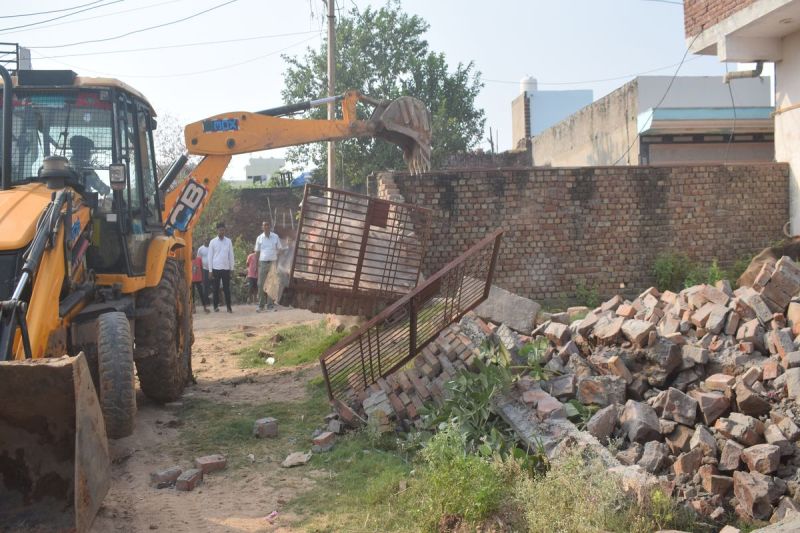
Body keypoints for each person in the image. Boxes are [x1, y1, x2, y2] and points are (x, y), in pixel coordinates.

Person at [255, 220, 285, 312]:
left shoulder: (275, 237)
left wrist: (277, 259)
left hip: (273, 263)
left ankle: (270, 305)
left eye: (268, 225)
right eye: (265, 226)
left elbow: (280, 249)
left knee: (272, 284)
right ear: (262, 227)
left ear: (270, 227)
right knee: (260, 284)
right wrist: (257, 265)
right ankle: (261, 305)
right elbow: (257, 251)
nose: (266, 227)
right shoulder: (259, 238)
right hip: (263, 263)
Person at [208, 222, 235, 313]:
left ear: (225, 230)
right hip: (216, 268)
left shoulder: (228, 241)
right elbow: (210, 257)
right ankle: (215, 306)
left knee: (227, 289)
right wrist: (210, 270)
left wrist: (232, 269)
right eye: (220, 230)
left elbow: (231, 255)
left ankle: (229, 307)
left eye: (223, 230)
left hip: (226, 268)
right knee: (215, 289)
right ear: (217, 230)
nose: (221, 232)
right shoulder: (212, 242)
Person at [191, 248, 210, 313]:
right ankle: (193, 308)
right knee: (192, 295)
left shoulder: (199, 259)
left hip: (199, 279)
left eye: (194, 252)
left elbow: (202, 269)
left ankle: (204, 307)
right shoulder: (188, 260)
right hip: (191, 280)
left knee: (201, 293)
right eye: (192, 252)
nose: (193, 253)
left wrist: (202, 278)